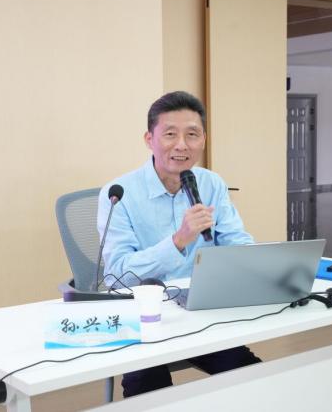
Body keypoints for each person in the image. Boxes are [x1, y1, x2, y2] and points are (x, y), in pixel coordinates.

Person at [97, 90, 261, 397]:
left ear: (204, 139)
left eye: (192, 134)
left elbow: (236, 241)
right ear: (149, 139)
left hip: (202, 309)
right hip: (145, 317)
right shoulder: (119, 194)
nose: (182, 145)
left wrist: (263, 264)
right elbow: (117, 274)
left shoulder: (211, 183)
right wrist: (178, 241)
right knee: (150, 392)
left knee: (254, 379)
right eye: (170, 134)